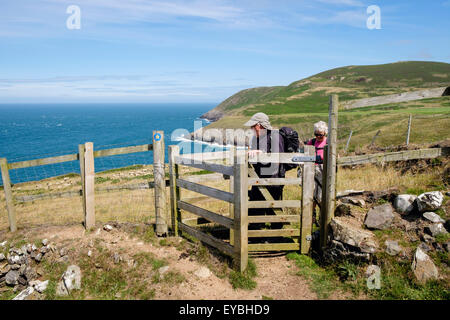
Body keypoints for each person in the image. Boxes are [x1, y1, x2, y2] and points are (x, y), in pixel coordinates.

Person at [244, 112, 285, 230]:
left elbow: (279, 157)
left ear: (259, 125)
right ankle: (255, 237)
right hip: (257, 178)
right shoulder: (254, 139)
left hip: (274, 179)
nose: (251, 128)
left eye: (253, 126)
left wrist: (261, 154)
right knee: (255, 207)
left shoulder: (275, 136)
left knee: (273, 208)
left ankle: (276, 239)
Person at [305, 121, 328, 226]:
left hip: (324, 171)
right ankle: (312, 217)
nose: (318, 136)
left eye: (321, 135)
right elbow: (306, 154)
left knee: (321, 196)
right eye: (316, 134)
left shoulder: (328, 143)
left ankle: (322, 217)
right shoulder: (312, 142)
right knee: (312, 194)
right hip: (312, 170)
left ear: (325, 133)